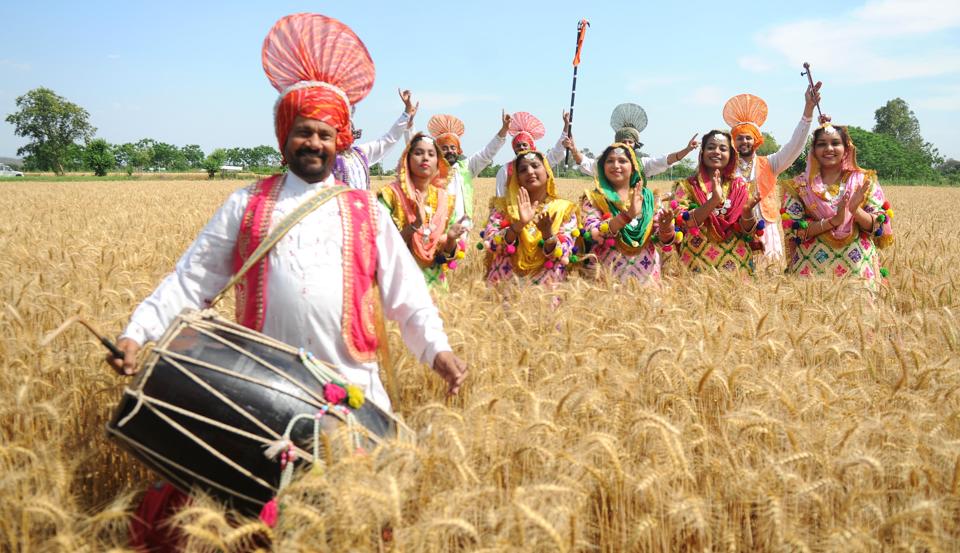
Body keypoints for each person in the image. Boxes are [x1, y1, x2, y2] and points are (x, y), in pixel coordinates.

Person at [106, 14, 469, 548]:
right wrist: (137, 333)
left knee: (351, 530)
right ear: (285, 136)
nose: (314, 142)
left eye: (325, 133)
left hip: (347, 397)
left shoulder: (366, 210)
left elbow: (409, 299)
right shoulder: (246, 203)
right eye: (304, 131)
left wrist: (438, 351)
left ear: (339, 140)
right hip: (251, 396)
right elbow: (190, 281)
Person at [781, 117, 894, 286]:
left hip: (858, 270)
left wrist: (855, 210)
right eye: (821, 144)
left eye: (835, 143)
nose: (829, 148)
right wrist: (833, 221)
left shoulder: (864, 181)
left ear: (846, 148)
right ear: (813, 149)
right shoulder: (799, 186)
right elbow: (793, 230)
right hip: (810, 273)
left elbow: (878, 226)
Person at [723, 82, 821, 260]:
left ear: (756, 141)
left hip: (766, 228)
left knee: (769, 277)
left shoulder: (770, 163)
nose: (744, 142)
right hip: (735, 229)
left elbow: (794, 146)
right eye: (739, 138)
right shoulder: (726, 169)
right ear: (732, 142)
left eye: (748, 138)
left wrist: (808, 111)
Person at [377, 132, 468, 287]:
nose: (425, 157)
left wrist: (451, 239)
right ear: (407, 159)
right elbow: (382, 246)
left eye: (431, 154)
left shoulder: (445, 199)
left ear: (438, 162)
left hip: (437, 288)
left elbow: (444, 256)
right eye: (418, 153)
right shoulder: (389, 196)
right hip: (401, 284)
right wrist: (415, 225)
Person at [662, 130, 761, 273]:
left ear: (732, 155)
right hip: (697, 266)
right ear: (702, 152)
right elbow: (685, 222)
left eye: (723, 148)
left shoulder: (740, 186)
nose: (716, 151)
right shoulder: (686, 186)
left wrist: (747, 212)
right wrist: (713, 200)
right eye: (710, 147)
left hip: (738, 267)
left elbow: (749, 231)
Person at [479, 151, 579, 285]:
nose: (530, 171)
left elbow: (565, 252)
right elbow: (491, 243)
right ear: (517, 177)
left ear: (547, 171)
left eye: (535, 165)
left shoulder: (564, 209)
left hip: (547, 292)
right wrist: (518, 225)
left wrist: (548, 234)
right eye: (523, 169)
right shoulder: (503, 207)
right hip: (504, 289)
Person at [579, 143, 673, 284]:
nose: (616, 165)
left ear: (633, 166)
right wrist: (626, 216)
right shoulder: (594, 199)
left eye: (622, 161)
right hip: (606, 279)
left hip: (647, 279)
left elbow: (661, 239)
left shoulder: (647, 198)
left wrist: (666, 229)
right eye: (610, 161)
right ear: (602, 167)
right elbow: (593, 231)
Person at [563, 102, 698, 179]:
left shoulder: (643, 164)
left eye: (630, 142)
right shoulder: (606, 164)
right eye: (623, 141)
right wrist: (572, 146)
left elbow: (666, 160)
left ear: (635, 144)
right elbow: (584, 161)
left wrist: (686, 150)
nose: (626, 144)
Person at [428, 112, 510, 223]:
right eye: (444, 148)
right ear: (437, 151)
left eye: (453, 147)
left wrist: (504, 130)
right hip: (437, 230)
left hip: (462, 230)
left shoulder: (466, 168)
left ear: (458, 150)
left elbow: (486, 153)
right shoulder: (430, 171)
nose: (450, 151)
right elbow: (414, 153)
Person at [335, 88, 420, 189]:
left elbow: (388, 140)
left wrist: (407, 113)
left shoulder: (360, 154)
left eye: (349, 128)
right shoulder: (325, 160)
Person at [494, 111, 569, 198]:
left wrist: (566, 125)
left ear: (532, 146)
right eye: (518, 145)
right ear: (514, 148)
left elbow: (556, 152)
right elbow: (500, 198)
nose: (522, 148)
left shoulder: (541, 164)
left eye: (525, 145)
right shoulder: (505, 170)